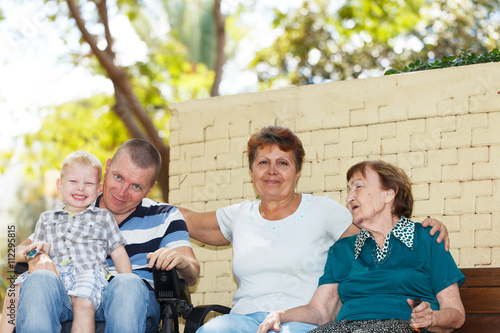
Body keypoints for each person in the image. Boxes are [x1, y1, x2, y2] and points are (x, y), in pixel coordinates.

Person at [179, 126, 450, 333]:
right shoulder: (238, 215)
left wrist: (417, 229)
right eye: (263, 162)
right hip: (243, 321)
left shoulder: (322, 210)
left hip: (300, 322)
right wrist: (140, 197)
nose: (272, 171)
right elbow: (186, 219)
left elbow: (377, 234)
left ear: (297, 173)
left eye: (283, 163)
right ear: (251, 171)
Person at [11, 139, 200, 333]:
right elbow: (13, 254)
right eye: (118, 177)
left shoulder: (165, 216)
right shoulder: (78, 205)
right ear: (108, 167)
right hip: (67, 296)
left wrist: (181, 261)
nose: (122, 192)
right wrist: (37, 256)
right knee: (40, 279)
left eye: (136, 187)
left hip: (129, 302)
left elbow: (192, 274)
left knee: (126, 283)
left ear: (150, 187)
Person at [258, 160, 465, 333]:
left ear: (389, 194)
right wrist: (281, 315)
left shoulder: (427, 239)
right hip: (344, 328)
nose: (349, 197)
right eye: (348, 189)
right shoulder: (341, 250)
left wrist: (431, 318)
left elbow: (456, 314)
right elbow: (321, 312)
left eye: (358, 186)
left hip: (401, 326)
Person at [11, 151, 133, 333]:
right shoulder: (46, 218)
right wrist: (35, 254)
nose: (81, 188)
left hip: (89, 275)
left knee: (84, 305)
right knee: (21, 290)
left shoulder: (103, 217)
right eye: (74, 181)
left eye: (88, 183)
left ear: (98, 189)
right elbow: (28, 250)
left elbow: (118, 252)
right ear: (60, 185)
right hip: (56, 278)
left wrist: (127, 283)